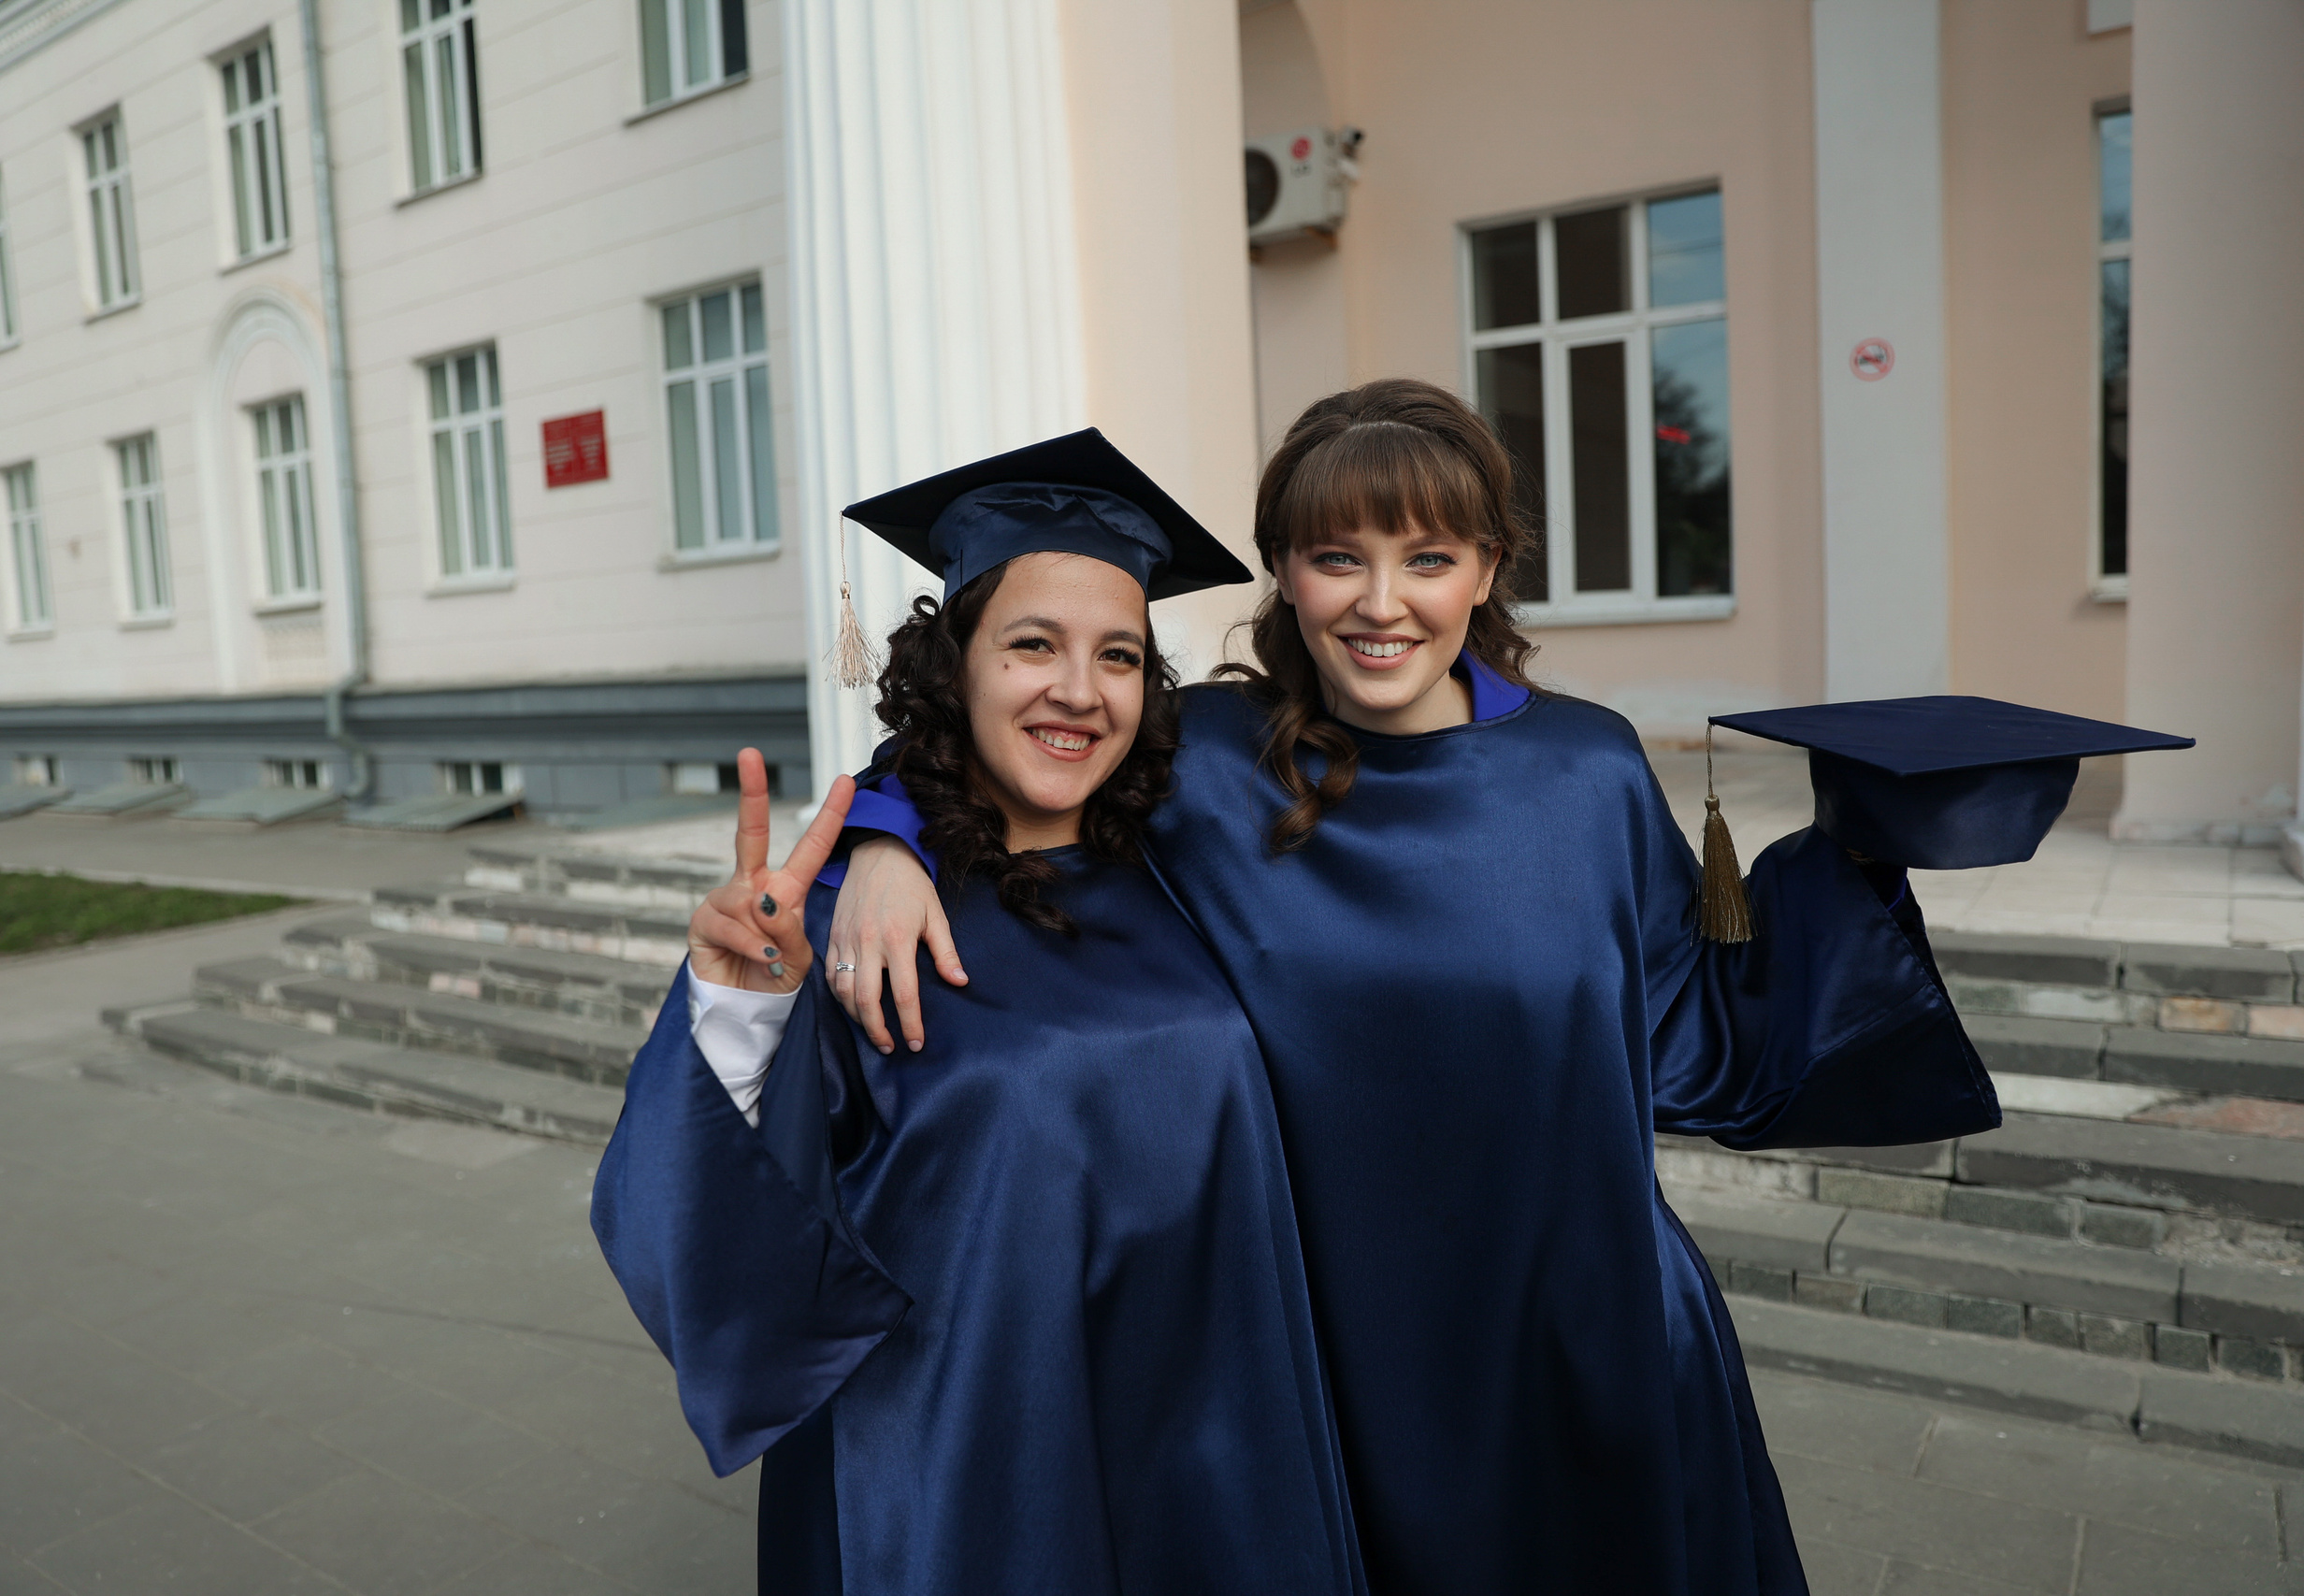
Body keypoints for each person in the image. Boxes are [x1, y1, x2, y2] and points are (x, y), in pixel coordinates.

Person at [825, 380, 2002, 1595]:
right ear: (1284, 570)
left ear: (1487, 569)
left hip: (1582, 1340)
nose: (1381, 603)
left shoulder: (1587, 769)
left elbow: (1691, 1033)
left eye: (1428, 557)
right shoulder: (1203, 761)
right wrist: (884, 834)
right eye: (1338, 556)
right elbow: (1017, 741)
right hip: (1334, 1361)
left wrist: (1855, 862)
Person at [589, 435, 1367, 1596]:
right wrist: (739, 1008)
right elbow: (703, 1219)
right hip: (965, 1461)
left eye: (1117, 655)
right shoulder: (849, 923)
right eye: (1031, 644)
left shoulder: (1187, 868)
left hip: (1205, 1438)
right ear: (955, 668)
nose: (1078, 690)